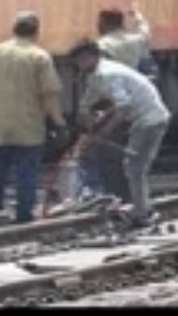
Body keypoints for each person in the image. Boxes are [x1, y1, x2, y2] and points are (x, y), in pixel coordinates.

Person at [70, 38, 170, 229]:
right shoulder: (96, 75)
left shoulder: (108, 74)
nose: (78, 65)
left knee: (134, 167)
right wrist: (85, 115)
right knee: (134, 167)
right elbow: (88, 100)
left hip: (150, 120)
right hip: (143, 119)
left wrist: (103, 133)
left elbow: (123, 107)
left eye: (79, 61)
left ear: (89, 57)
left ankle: (141, 214)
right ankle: (142, 208)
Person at [0, 11, 67, 224]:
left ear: (14, 29)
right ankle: (24, 216)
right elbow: (48, 95)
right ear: (37, 32)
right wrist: (59, 123)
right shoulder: (39, 57)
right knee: (26, 173)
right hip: (29, 127)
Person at [97, 3, 151, 70]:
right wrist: (137, 15)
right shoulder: (136, 41)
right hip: (131, 79)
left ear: (103, 24)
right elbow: (144, 30)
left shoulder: (101, 45)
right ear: (121, 23)